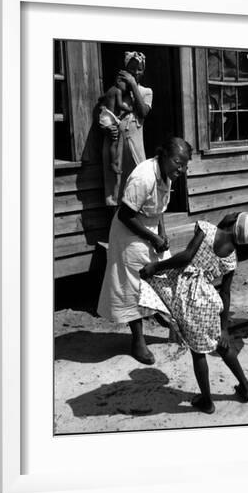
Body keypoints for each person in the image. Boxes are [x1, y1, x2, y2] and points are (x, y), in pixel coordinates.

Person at [138, 212, 248, 414]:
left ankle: (206, 400)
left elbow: (186, 257)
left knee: (197, 352)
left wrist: (156, 266)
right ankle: (245, 386)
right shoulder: (232, 259)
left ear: (233, 222)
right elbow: (225, 292)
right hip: (210, 302)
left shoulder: (207, 229)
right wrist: (224, 329)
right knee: (221, 345)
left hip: (189, 297)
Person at [97, 137, 192, 365]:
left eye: (185, 164)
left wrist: (162, 233)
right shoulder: (144, 177)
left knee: (164, 276)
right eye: (179, 163)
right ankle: (137, 341)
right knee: (133, 287)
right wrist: (153, 237)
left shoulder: (167, 174)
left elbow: (158, 209)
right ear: (165, 156)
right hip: (129, 234)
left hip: (149, 230)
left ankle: (171, 324)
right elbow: (125, 215)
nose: (182, 169)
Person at [101, 51, 153, 206]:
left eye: (139, 69)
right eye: (131, 69)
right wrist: (106, 128)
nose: (135, 73)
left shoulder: (145, 91)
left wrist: (132, 85)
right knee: (115, 182)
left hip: (134, 142)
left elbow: (143, 112)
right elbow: (103, 114)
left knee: (140, 177)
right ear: (124, 70)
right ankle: (115, 220)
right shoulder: (116, 90)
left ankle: (139, 216)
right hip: (116, 141)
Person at [98, 74, 133, 204]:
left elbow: (100, 99)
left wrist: (104, 105)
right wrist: (129, 108)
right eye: (126, 86)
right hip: (109, 118)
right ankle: (113, 163)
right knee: (114, 141)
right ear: (119, 81)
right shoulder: (118, 90)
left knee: (114, 140)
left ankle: (113, 163)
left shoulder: (109, 91)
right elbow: (119, 104)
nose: (125, 90)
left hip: (105, 114)